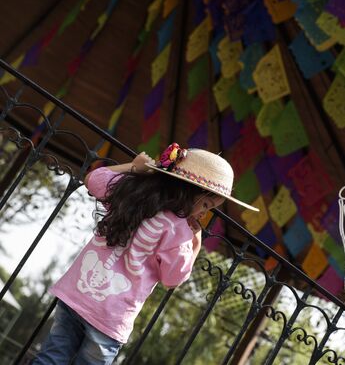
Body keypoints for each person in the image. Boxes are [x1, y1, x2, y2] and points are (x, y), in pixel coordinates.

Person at [32, 144, 258, 365]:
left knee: (51, 358)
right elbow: (173, 279)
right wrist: (195, 242)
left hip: (77, 293)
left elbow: (94, 180)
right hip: (109, 317)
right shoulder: (178, 232)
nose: (204, 212)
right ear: (192, 193)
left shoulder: (133, 193)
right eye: (206, 204)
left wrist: (133, 166)